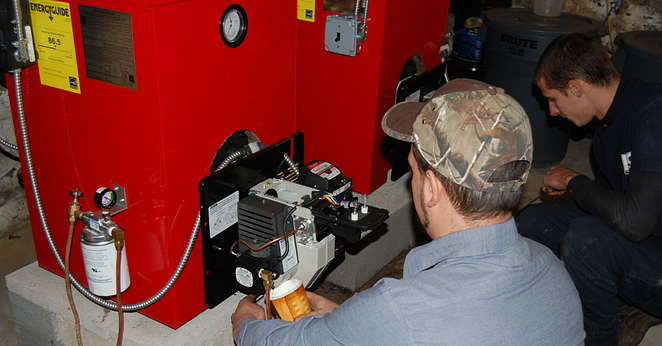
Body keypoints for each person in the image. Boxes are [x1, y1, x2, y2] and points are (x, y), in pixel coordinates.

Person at [232, 78, 585, 345]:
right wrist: (352, 325)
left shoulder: (399, 309)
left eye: (413, 171)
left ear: (431, 188)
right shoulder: (554, 271)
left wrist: (247, 325)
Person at [516, 32, 662, 346]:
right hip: (647, 240)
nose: (552, 111)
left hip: (653, 250)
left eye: (553, 99)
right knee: (530, 223)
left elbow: (634, 222)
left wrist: (574, 182)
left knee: (587, 241)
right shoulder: (607, 124)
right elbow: (614, 201)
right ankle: (612, 306)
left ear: (577, 88)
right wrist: (580, 191)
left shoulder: (653, 114)